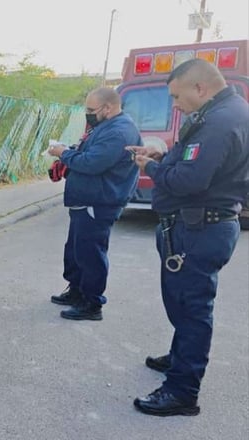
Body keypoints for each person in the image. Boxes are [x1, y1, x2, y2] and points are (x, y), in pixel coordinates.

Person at [128, 58, 249, 417]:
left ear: (200, 88)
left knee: (193, 310)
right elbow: (196, 162)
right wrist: (164, 153)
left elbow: (188, 181)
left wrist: (150, 167)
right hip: (198, 225)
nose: (175, 105)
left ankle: (182, 391)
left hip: (200, 229)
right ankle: (181, 357)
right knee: (182, 303)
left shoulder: (219, 121)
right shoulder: (226, 112)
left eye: (177, 97)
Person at [47, 87, 140, 321]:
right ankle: (77, 291)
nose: (87, 114)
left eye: (91, 110)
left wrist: (63, 154)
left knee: (91, 254)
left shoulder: (119, 132)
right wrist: (69, 152)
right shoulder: (105, 127)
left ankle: (91, 303)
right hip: (86, 200)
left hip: (99, 202)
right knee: (77, 250)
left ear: (107, 108)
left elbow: (92, 163)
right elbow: (89, 153)